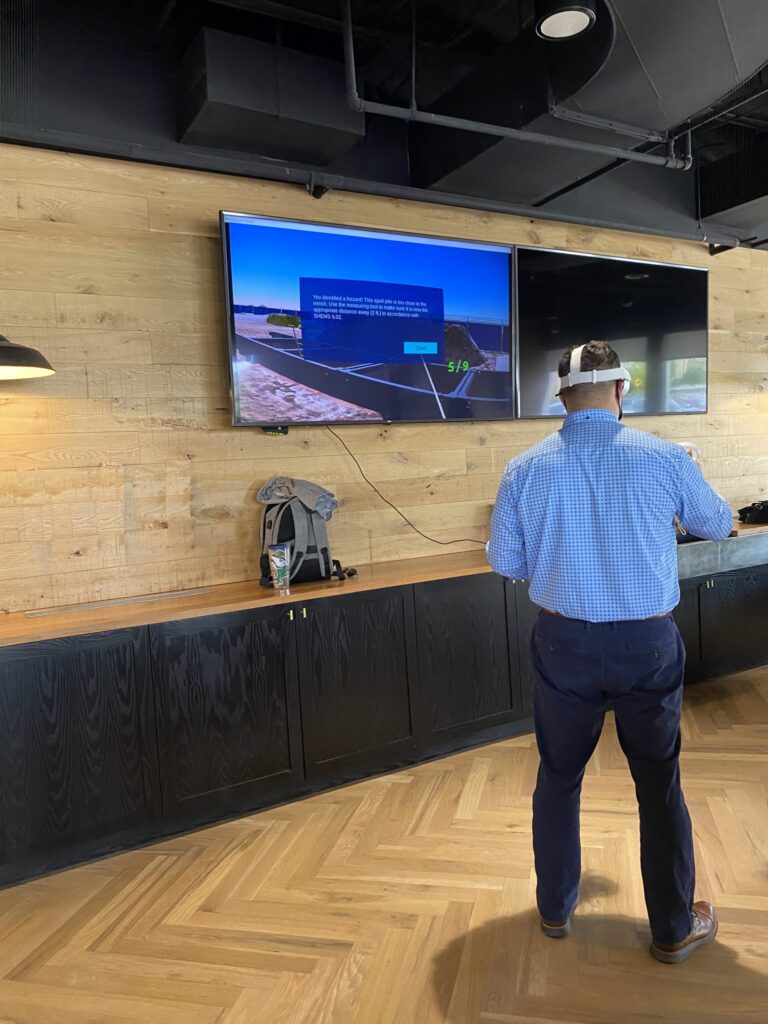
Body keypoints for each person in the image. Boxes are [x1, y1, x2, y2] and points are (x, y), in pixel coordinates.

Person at [487, 340, 733, 964]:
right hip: (646, 645)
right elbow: (717, 523)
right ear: (621, 391)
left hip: (561, 641)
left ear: (562, 396)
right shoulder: (664, 457)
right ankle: (674, 928)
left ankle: (554, 909)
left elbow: (507, 561)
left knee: (559, 777)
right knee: (659, 783)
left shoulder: (522, 469)